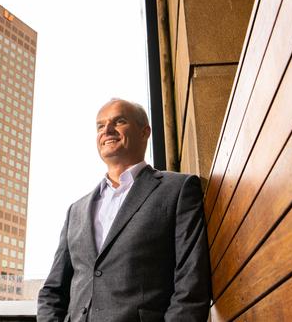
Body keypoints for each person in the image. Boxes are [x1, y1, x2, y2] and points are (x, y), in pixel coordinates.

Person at [37, 98, 211, 322]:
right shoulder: (76, 211)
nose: (107, 130)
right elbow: (52, 291)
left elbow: (192, 283)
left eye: (119, 121)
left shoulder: (178, 189)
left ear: (144, 132)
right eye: (100, 126)